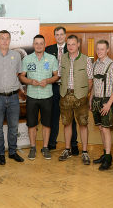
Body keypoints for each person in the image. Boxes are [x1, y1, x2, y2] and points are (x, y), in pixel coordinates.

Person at [0, 30, 24, 165]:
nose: (5, 41)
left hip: (13, 97)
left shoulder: (16, 55)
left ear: (10, 40)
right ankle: (1, 153)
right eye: (2, 38)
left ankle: (13, 152)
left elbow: (19, 74)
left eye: (7, 38)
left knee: (13, 126)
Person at [19, 35, 59, 160]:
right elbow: (22, 76)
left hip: (47, 96)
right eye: (36, 43)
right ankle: (32, 148)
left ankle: (45, 147)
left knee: (47, 124)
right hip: (32, 96)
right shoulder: (27, 59)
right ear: (33, 44)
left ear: (44, 44)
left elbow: (56, 76)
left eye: (41, 43)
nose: (39, 45)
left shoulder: (52, 59)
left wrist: (47, 80)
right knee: (32, 124)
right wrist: (30, 81)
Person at [58, 35, 93, 165]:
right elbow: (60, 75)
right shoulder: (63, 58)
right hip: (65, 95)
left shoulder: (86, 60)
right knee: (66, 123)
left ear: (78, 44)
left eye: (73, 44)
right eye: (68, 44)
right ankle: (67, 150)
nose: (71, 47)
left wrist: (85, 94)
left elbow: (90, 80)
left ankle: (84, 152)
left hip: (81, 96)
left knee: (83, 124)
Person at [45, 26, 79, 155]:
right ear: (55, 36)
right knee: (53, 116)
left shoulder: (71, 48)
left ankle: (73, 144)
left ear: (65, 35)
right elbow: (46, 67)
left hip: (69, 88)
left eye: (61, 34)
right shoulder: (49, 49)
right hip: (53, 87)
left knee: (70, 118)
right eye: (57, 34)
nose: (59, 36)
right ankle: (52, 142)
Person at [89, 40, 113, 170]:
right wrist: (91, 99)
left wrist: (109, 104)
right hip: (96, 99)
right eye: (98, 49)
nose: (100, 51)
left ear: (107, 50)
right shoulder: (95, 64)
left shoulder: (112, 65)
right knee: (101, 128)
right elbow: (95, 85)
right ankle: (104, 153)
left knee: (106, 129)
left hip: (107, 100)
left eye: (102, 49)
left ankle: (108, 157)